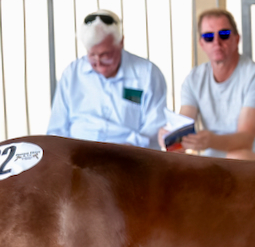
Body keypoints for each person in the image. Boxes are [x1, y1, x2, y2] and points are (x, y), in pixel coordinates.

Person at [166, 9, 255, 160]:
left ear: (236, 39)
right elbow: (183, 126)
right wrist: (171, 137)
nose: (216, 42)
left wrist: (210, 141)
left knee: (238, 157)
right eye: (208, 37)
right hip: (215, 162)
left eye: (224, 34)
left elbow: (245, 140)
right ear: (201, 43)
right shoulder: (194, 78)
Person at [47, 10, 168, 150]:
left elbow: (155, 123)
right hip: (79, 157)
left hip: (130, 156)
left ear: (121, 42)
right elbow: (57, 127)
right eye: (92, 55)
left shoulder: (147, 73)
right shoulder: (72, 73)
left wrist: (126, 150)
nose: (98, 63)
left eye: (106, 55)